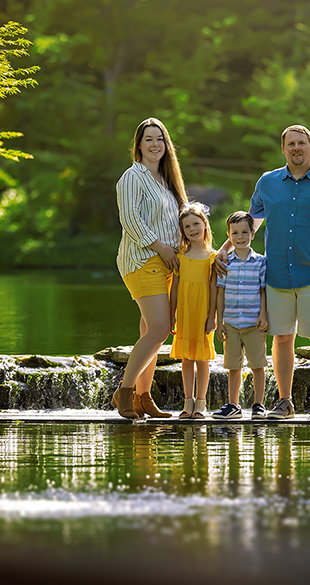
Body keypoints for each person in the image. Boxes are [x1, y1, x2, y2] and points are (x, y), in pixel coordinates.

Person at [221, 124, 310, 420]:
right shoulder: (268, 183)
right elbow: (250, 225)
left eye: (301, 143)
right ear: (283, 149)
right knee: (282, 339)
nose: (296, 148)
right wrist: (224, 251)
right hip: (277, 276)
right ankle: (284, 402)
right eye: (291, 143)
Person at [112, 117, 187, 419]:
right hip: (143, 260)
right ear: (138, 145)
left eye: (160, 139)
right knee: (159, 328)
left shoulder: (167, 182)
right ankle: (124, 392)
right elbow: (130, 221)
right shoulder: (132, 177)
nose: (155, 144)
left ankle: (144, 397)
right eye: (149, 139)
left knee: (151, 330)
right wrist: (162, 248)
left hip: (167, 262)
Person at [213, 211, 268, 420]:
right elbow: (220, 294)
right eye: (235, 233)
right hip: (232, 324)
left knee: (258, 365)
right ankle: (233, 405)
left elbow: (263, 290)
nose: (240, 237)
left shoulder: (261, 262)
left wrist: (263, 315)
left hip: (254, 323)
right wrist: (220, 323)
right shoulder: (226, 262)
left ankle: (258, 405)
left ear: (252, 234)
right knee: (233, 366)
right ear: (229, 235)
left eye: (244, 232)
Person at [169, 202, 218, 419]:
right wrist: (171, 314)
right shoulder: (180, 255)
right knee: (186, 359)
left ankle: (201, 402)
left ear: (205, 225)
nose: (192, 229)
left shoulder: (212, 257)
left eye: (196, 224)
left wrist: (213, 317)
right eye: (187, 226)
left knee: (202, 359)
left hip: (203, 313)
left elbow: (215, 290)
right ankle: (187, 402)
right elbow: (175, 288)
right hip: (184, 313)